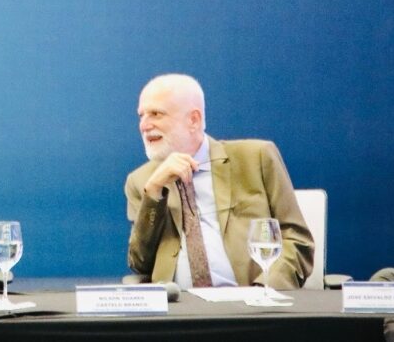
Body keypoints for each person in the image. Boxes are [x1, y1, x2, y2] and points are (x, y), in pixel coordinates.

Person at [124, 74, 314, 289]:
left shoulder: (256, 158)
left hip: (249, 300)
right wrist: (154, 193)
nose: (144, 125)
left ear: (193, 120)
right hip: (180, 304)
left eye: (156, 114)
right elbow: (141, 263)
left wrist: (262, 289)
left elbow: (297, 241)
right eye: (141, 116)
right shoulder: (142, 181)